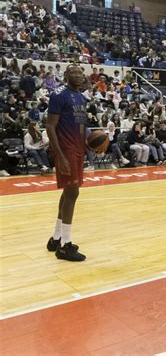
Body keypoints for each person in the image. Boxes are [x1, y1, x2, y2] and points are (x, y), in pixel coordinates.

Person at [46, 65, 88, 261]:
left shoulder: (82, 98)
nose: (78, 75)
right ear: (65, 75)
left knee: (68, 192)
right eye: (74, 72)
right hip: (66, 149)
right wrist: (59, 155)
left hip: (78, 149)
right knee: (72, 192)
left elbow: (80, 126)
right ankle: (65, 246)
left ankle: (56, 238)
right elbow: (50, 126)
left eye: (81, 72)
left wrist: (89, 143)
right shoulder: (58, 95)